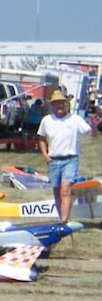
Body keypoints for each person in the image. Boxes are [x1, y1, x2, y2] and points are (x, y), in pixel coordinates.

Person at [37, 88, 91, 224]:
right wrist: (44, 154)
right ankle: (62, 217)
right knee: (57, 191)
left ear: (66, 104)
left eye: (62, 103)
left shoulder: (75, 119)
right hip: (53, 160)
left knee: (66, 189)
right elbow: (41, 138)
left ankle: (64, 221)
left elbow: (90, 132)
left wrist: (95, 127)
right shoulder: (46, 120)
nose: (59, 106)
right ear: (52, 106)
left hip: (70, 159)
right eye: (56, 103)